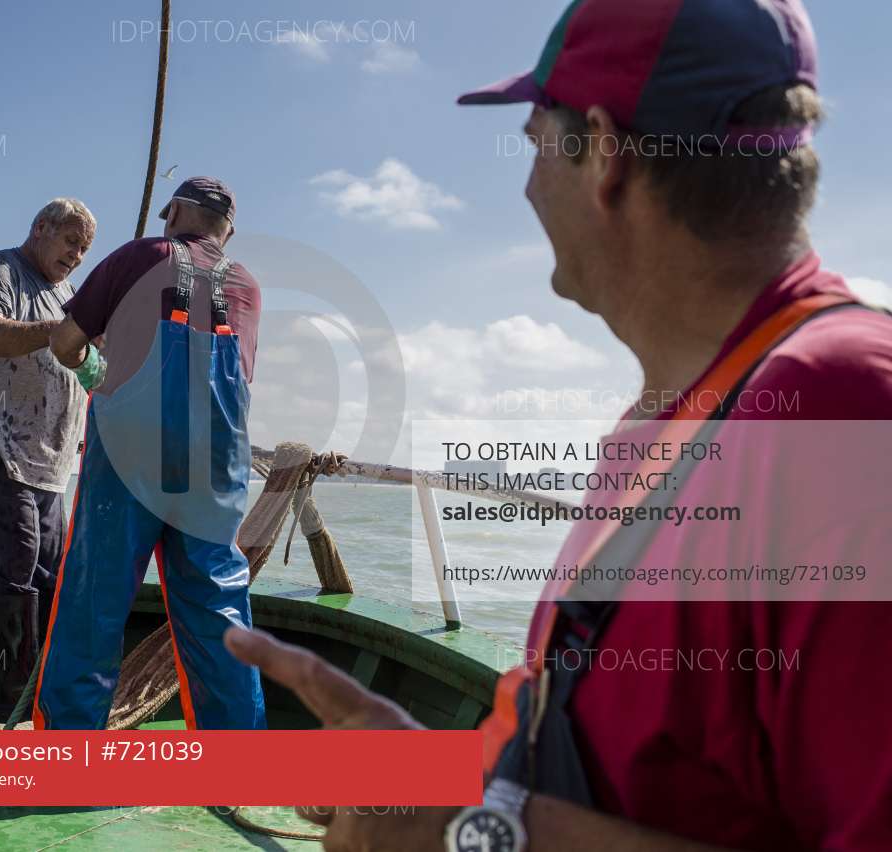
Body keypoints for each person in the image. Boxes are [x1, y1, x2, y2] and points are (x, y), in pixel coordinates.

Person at [227, 0, 892, 849]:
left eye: (536, 139)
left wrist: (469, 832)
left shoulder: (844, 411)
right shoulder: (674, 421)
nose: (526, 183)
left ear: (604, 155)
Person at [31, 177, 266, 730]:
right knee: (219, 605)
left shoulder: (140, 255)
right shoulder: (249, 286)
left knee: (95, 597)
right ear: (228, 232)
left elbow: (65, 343)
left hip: (130, 454)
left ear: (175, 212)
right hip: (215, 463)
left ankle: (70, 745)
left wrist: (97, 362)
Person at [0, 197, 97, 722]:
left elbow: (91, 366)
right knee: (15, 567)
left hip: (52, 459)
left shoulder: (70, 295)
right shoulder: (2, 270)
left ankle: (46, 693)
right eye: (70, 241)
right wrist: (57, 332)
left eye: (84, 250)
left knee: (52, 572)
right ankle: (15, 702)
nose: (76, 255)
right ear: (40, 228)